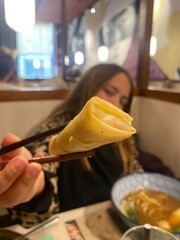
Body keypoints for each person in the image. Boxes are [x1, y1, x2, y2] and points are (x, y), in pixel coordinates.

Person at [0, 63, 173, 228]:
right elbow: (43, 174)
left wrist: (150, 196)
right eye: (109, 91)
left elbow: (134, 171)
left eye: (123, 101)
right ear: (88, 87)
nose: (116, 105)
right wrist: (36, 192)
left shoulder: (124, 140)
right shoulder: (58, 128)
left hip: (119, 221)